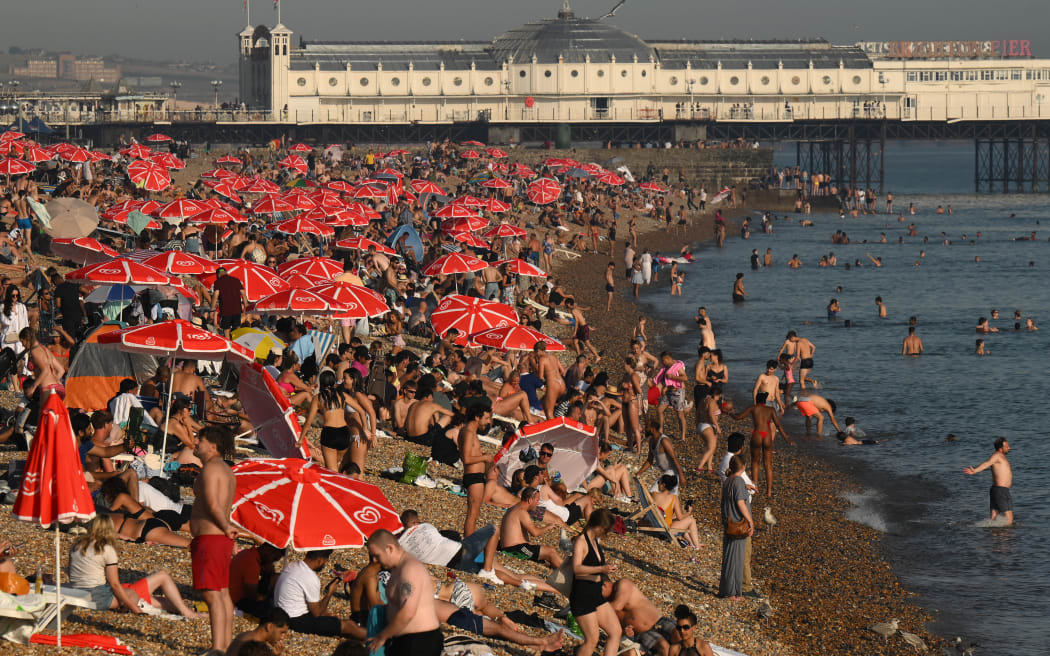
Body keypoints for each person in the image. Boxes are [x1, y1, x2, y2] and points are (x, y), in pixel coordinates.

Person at [68, 515, 198, 618]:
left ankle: (189, 610)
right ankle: (188, 613)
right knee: (161, 577)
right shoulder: (106, 549)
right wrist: (134, 608)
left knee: (159, 601)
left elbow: (72, 573)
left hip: (79, 590)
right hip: (101, 595)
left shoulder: (77, 546)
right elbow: (115, 584)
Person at [190, 425, 239, 654]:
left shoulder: (210, 469)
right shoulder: (226, 470)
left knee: (211, 593)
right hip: (219, 539)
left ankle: (218, 648)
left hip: (211, 537)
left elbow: (212, 504)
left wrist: (226, 527)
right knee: (222, 592)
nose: (195, 443)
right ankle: (225, 645)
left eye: (199, 440)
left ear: (213, 445)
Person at [365, 530, 443, 656]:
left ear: (390, 548)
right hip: (403, 640)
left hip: (420, 642)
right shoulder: (397, 569)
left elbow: (408, 612)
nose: (374, 560)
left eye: (377, 555)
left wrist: (382, 636)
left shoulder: (410, 569)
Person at [273, 549, 365, 638]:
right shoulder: (310, 577)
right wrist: (329, 593)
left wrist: (327, 615)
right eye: (325, 561)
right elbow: (317, 613)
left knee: (331, 617)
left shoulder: (293, 566)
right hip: (295, 620)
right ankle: (373, 637)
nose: (325, 564)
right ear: (319, 560)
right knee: (348, 625)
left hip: (281, 613)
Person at [570, 509, 621, 656]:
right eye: (606, 530)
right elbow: (576, 569)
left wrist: (605, 572)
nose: (606, 533)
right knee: (592, 639)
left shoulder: (594, 541)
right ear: (598, 526)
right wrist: (601, 568)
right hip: (582, 597)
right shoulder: (581, 541)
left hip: (596, 594)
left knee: (615, 631)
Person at [734, 392, 793, 497]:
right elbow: (778, 425)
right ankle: (769, 492)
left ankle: (755, 487)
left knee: (755, 462)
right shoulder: (771, 410)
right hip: (767, 435)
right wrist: (787, 439)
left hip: (757, 434)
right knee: (768, 465)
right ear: (765, 401)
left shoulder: (753, 408)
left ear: (756, 400)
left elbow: (739, 417)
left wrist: (729, 413)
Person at [602, 577, 676, 656]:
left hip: (659, 621)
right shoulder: (606, 604)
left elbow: (616, 607)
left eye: (596, 590)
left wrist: (597, 608)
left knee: (684, 642)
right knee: (664, 647)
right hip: (642, 633)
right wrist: (625, 632)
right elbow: (615, 632)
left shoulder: (622, 584)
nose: (595, 594)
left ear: (605, 584)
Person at [498, 487, 564, 568]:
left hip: (512, 547)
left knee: (543, 553)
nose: (538, 503)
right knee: (551, 552)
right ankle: (569, 575)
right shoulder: (522, 512)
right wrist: (548, 527)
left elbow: (520, 537)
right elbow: (535, 533)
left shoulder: (514, 508)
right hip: (514, 550)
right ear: (530, 500)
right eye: (537, 500)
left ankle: (561, 569)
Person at [719, 456, 753, 600]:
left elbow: (733, 494)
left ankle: (726, 589)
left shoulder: (728, 481)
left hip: (728, 524)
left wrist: (746, 487)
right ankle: (733, 593)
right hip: (738, 524)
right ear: (744, 466)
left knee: (729, 558)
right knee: (736, 558)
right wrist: (751, 521)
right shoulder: (738, 481)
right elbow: (740, 503)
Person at [964, 437, 1013, 525]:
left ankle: (992, 537)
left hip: (997, 490)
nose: (1009, 448)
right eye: (1007, 446)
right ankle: (1006, 538)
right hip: (1001, 491)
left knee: (993, 518)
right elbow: (987, 463)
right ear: (1000, 448)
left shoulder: (1001, 456)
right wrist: (975, 470)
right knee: (1009, 519)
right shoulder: (997, 456)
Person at [229, 542, 286, 618]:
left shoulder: (248, 553)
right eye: (273, 559)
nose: (272, 562)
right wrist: (268, 576)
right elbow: (252, 596)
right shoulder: (252, 564)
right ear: (268, 550)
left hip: (232, 593)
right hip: (237, 600)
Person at [650, 474, 700, 548]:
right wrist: (689, 512)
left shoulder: (654, 494)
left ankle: (691, 542)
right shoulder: (674, 498)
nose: (658, 485)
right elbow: (680, 517)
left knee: (675, 516)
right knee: (691, 519)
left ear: (663, 485)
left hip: (653, 523)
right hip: (664, 530)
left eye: (658, 483)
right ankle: (697, 546)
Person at [654, 352, 690, 442]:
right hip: (668, 392)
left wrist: (672, 377)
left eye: (663, 361)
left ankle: (683, 437)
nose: (662, 363)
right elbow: (664, 380)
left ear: (668, 359)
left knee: (680, 415)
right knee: (659, 410)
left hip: (678, 392)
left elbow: (685, 378)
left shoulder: (678, 367)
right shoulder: (666, 367)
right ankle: (661, 429)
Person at [212, 266, 248, 336]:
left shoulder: (218, 282)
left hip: (226, 310)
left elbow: (216, 295)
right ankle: (238, 343)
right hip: (237, 309)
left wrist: (212, 308)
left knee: (226, 330)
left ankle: (229, 344)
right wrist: (246, 306)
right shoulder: (236, 280)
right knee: (237, 328)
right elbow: (243, 293)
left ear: (218, 275)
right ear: (226, 273)